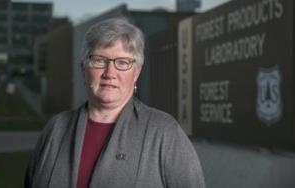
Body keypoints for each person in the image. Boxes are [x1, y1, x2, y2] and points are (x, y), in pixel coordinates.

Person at [25, 17, 205, 188]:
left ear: (136, 73)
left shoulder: (165, 132)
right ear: (84, 68)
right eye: (99, 60)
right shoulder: (56, 129)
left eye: (122, 62)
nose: (109, 73)